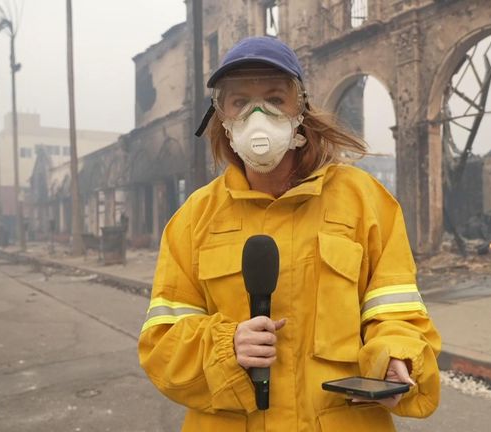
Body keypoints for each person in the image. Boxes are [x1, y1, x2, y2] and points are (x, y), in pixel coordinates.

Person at [138, 36, 441, 431]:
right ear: (222, 117)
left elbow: (397, 314)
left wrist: (396, 357)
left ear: (300, 109)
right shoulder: (193, 220)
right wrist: (226, 348)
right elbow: (162, 345)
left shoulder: (365, 202)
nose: (257, 114)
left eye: (275, 99)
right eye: (239, 102)